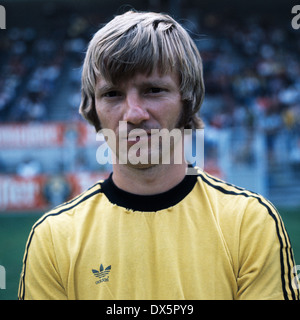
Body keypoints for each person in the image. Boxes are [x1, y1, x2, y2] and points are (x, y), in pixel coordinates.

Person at [18, 10, 299, 300]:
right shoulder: (53, 238)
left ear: (188, 102)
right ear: (94, 110)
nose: (134, 114)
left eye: (153, 90)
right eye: (112, 94)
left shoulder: (250, 225)